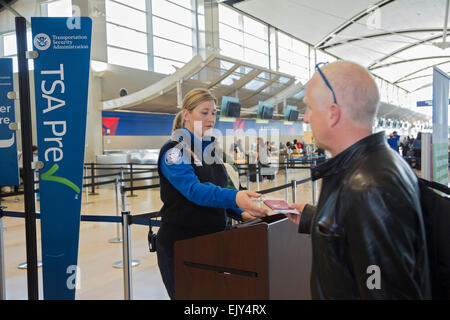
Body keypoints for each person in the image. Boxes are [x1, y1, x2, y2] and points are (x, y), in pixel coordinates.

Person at [286, 61, 431, 299]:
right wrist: (318, 218)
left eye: (309, 107)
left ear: (333, 113)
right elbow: (362, 238)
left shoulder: (369, 188)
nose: (305, 118)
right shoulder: (375, 167)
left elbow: (381, 290)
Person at [155, 88, 267, 299]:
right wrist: (235, 198)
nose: (211, 118)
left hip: (213, 242)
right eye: (204, 112)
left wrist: (242, 213)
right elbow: (195, 191)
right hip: (181, 246)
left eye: (214, 113)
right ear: (187, 114)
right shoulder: (174, 151)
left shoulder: (210, 150)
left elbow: (222, 186)